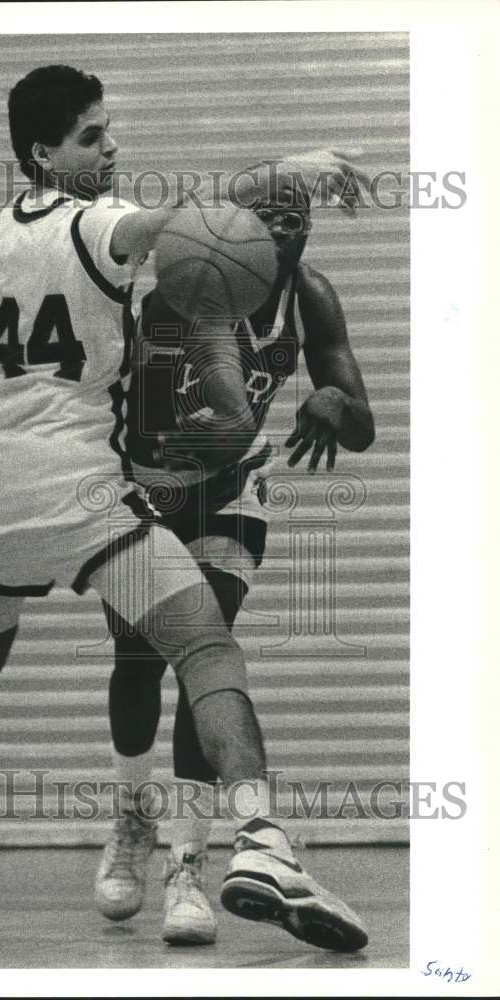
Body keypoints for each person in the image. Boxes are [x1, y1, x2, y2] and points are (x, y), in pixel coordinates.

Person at [0, 66, 370, 952]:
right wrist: (286, 167)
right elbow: (196, 214)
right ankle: (262, 843)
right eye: (92, 137)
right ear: (43, 153)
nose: (111, 149)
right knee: (205, 647)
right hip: (75, 486)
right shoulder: (97, 223)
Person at [94, 166, 376, 945]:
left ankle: (187, 864)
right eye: (267, 215)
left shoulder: (309, 296)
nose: (283, 228)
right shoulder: (186, 283)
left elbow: (362, 428)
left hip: (229, 494)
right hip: (148, 484)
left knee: (204, 655)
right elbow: (146, 418)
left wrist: (332, 400)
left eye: (296, 216)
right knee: (134, 661)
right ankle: (131, 815)